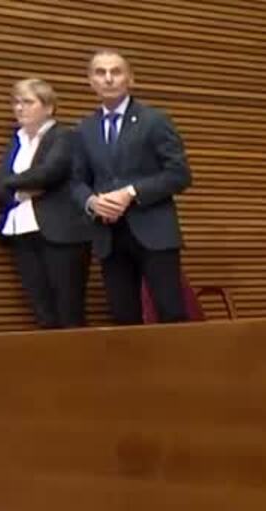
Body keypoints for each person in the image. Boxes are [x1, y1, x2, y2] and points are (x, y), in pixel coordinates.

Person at [68, 50, 192, 325]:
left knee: (171, 313)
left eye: (116, 71)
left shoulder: (154, 120)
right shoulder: (83, 129)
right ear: (90, 81)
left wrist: (131, 193)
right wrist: (91, 202)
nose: (108, 78)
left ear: (130, 79)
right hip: (109, 236)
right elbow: (75, 181)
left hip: (154, 231)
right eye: (100, 72)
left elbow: (179, 174)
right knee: (124, 318)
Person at [0, 79, 89, 329]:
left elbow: (49, 173)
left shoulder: (65, 135)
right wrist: (19, 188)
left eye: (27, 102)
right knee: (42, 311)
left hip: (61, 233)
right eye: (16, 102)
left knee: (68, 310)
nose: (19, 108)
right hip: (21, 231)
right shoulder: (17, 141)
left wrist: (11, 183)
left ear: (48, 107)